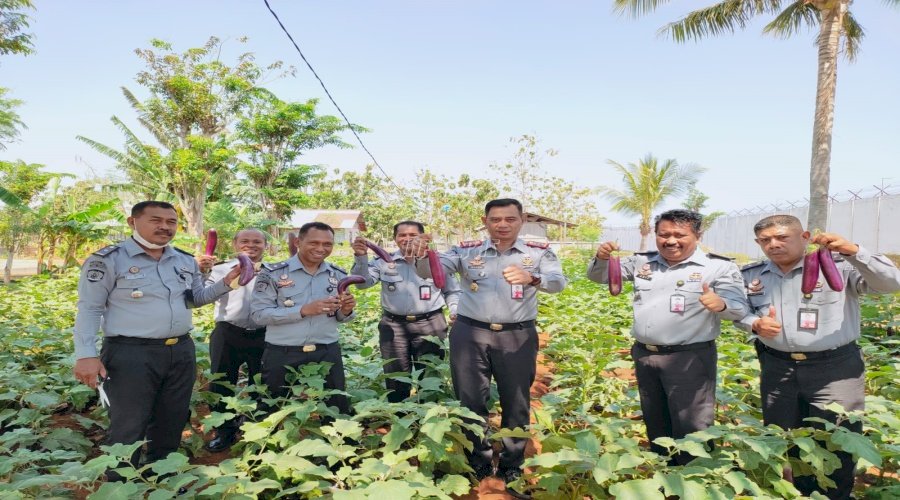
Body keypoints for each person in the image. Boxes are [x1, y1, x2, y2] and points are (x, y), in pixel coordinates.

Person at [72, 201, 243, 475]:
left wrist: (227, 283)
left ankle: (161, 478)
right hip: (130, 353)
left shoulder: (185, 260)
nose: (165, 227)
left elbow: (195, 299)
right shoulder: (107, 260)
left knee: (171, 420)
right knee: (128, 423)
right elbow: (90, 309)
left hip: (180, 351)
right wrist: (85, 354)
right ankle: (120, 483)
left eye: (171, 222)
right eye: (155, 220)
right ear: (132, 222)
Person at [736, 215, 900, 499]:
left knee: (838, 438)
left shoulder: (838, 266)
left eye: (782, 237)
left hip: (834, 368)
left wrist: (854, 250)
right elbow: (737, 309)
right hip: (777, 366)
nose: (773, 245)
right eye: (765, 240)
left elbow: (891, 283)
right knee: (783, 437)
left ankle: (836, 495)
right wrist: (753, 323)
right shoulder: (751, 274)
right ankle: (798, 493)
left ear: (805, 236)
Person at [414, 198, 566, 498]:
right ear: (485, 221)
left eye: (510, 219)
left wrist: (532, 278)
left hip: (517, 335)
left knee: (517, 399)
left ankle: (512, 463)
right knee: (470, 399)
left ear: (521, 220)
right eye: (496, 219)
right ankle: (479, 461)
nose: (503, 225)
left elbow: (558, 282)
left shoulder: (537, 253)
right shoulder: (464, 250)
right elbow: (431, 272)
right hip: (470, 332)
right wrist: (422, 255)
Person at [587, 209, 747, 465]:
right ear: (656, 235)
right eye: (664, 235)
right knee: (655, 418)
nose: (670, 241)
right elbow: (599, 277)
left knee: (692, 423)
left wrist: (721, 304)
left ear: (697, 235)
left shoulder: (718, 267)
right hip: (645, 354)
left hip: (690, 358)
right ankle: (664, 473)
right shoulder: (643, 262)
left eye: (679, 235)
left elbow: (739, 306)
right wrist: (602, 258)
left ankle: (694, 476)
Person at [250, 222, 357, 415]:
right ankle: (266, 443)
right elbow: (259, 314)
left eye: (327, 244)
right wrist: (303, 310)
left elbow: (341, 317)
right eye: (314, 242)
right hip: (283, 351)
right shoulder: (273, 273)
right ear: (298, 242)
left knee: (336, 404)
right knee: (271, 405)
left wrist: (347, 310)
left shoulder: (338, 275)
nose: (320, 248)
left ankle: (339, 442)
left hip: (327, 349)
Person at [350, 221, 461, 403]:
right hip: (394, 326)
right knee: (396, 376)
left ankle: (428, 419)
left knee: (430, 375)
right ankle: (399, 418)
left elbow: (452, 291)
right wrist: (360, 257)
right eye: (402, 235)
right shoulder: (383, 262)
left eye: (413, 235)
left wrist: (455, 310)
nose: (407, 239)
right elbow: (363, 284)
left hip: (431, 324)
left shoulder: (437, 261)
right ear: (395, 239)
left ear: (422, 238)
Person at [196, 229, 269, 452]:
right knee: (221, 382)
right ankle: (224, 431)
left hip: (264, 333)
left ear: (265, 246)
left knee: (261, 382)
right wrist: (200, 271)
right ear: (235, 244)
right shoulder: (218, 269)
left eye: (257, 241)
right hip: (228, 331)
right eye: (245, 241)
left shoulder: (274, 271)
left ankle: (254, 427)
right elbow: (200, 295)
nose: (251, 245)